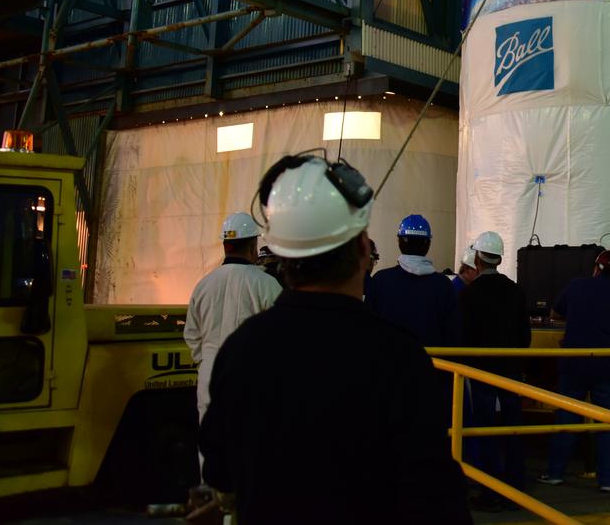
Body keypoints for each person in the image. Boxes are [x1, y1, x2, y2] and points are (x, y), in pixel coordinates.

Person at [199, 154, 470, 523]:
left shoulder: (240, 350)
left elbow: (219, 472)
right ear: (363, 249)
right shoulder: (399, 359)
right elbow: (437, 498)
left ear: (280, 255)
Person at [539, 249, 610, 493]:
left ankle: (554, 473)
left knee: (566, 420)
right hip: (606, 367)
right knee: (608, 425)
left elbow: (554, 313)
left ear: (596, 267)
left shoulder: (575, 286)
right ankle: (608, 480)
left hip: (574, 365)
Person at [185, 212, 282, 425]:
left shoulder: (203, 285)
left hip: (210, 375)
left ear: (225, 246)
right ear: (252, 246)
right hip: (251, 376)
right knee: (247, 444)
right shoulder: (267, 285)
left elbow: (191, 334)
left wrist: (207, 359)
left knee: (210, 445)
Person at [458, 231, 531, 510]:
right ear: (500, 258)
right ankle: (516, 486)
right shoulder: (515, 291)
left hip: (480, 372)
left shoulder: (468, 294)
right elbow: (525, 336)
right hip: (511, 371)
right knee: (513, 428)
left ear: (476, 259)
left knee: (485, 430)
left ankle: (491, 490)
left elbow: (462, 335)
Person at [366, 214, 460, 348]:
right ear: (428, 243)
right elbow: (453, 335)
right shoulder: (443, 285)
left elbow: (368, 329)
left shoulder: (380, 281)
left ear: (399, 242)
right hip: (432, 365)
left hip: (387, 365)